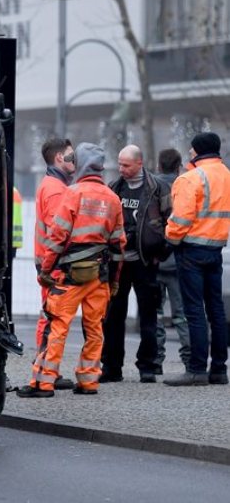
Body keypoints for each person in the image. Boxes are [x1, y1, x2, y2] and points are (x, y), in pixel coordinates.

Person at [17, 143, 126, 397]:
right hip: (99, 276)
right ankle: (89, 382)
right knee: (95, 328)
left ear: (83, 163)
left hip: (69, 276)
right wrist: (115, 280)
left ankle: (43, 383)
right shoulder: (112, 198)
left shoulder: (73, 193)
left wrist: (46, 270)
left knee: (57, 326)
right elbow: (119, 244)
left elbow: (58, 236)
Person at [164, 132, 230, 386]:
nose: (189, 154)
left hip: (191, 250)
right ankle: (219, 370)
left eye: (191, 150)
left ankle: (196, 370)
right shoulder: (226, 175)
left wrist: (168, 239)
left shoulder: (191, 178)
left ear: (198, 151)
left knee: (194, 311)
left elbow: (180, 220)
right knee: (216, 310)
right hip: (215, 250)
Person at [101, 145, 171, 383]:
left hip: (144, 262)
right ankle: (112, 367)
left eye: (126, 165)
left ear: (139, 163)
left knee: (148, 316)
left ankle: (148, 367)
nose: (121, 169)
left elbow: (170, 220)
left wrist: (160, 252)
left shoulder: (156, 188)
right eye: (119, 164)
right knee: (113, 316)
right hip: (117, 263)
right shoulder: (114, 187)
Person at [33, 138, 76, 350]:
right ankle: (45, 365)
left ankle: (43, 365)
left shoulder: (50, 184)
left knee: (49, 314)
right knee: (53, 316)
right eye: (71, 155)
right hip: (53, 265)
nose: (74, 159)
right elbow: (58, 232)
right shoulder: (56, 189)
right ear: (60, 157)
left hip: (48, 262)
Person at [155, 148, 191, 374]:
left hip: (155, 259)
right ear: (179, 166)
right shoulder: (187, 185)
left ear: (159, 165)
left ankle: (156, 361)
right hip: (179, 260)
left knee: (155, 313)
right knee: (182, 314)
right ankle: (189, 359)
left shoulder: (152, 186)